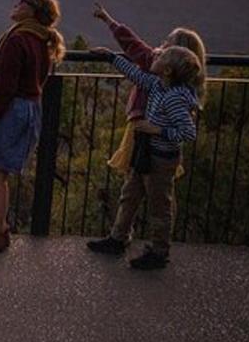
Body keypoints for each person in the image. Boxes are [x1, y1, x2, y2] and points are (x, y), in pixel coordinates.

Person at [0, 0, 65, 252]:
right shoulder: (40, 40)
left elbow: (6, 86)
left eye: (22, 2)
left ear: (32, 10)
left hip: (8, 111)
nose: (15, 4)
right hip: (28, 109)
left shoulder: (17, 40)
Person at [87, 44, 203, 270]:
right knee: (129, 194)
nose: (157, 55)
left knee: (160, 205)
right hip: (146, 153)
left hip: (162, 159)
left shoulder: (173, 98)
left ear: (168, 70)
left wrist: (157, 130)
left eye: (162, 57)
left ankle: (159, 252)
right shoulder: (158, 85)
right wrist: (110, 56)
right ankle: (118, 237)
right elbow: (136, 75)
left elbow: (188, 132)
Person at [88, 2, 206, 179]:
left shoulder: (160, 70)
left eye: (168, 42)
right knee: (147, 180)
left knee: (150, 180)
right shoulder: (171, 77)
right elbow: (132, 48)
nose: (163, 44)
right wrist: (108, 23)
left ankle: (149, 205)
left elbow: (132, 45)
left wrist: (158, 130)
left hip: (148, 132)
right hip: (150, 133)